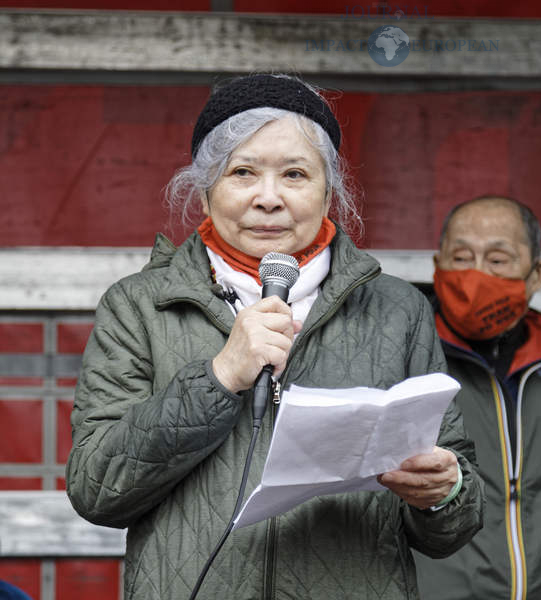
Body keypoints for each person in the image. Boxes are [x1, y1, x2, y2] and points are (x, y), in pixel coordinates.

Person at [65, 74, 483, 600]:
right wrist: (219, 378)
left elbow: (455, 522)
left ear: (328, 190)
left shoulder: (396, 309)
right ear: (206, 188)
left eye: (294, 174)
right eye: (242, 172)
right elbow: (97, 490)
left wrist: (444, 493)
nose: (269, 198)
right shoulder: (138, 306)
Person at [414, 196, 541, 600]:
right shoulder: (407, 360)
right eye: (461, 258)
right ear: (438, 266)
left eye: (498, 260)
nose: (477, 274)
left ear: (537, 274)